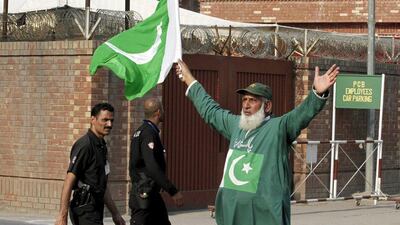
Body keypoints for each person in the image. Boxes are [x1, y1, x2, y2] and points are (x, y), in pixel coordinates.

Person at [175, 60, 339, 225]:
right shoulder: (236, 125)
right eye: (244, 100)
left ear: (267, 106)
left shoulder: (279, 128)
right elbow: (209, 110)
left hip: (264, 217)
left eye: (252, 100)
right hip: (232, 214)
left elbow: (302, 115)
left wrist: (316, 94)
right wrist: (189, 79)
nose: (246, 105)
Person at [55, 103, 125, 225]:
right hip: (84, 210)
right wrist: (62, 216)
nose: (109, 124)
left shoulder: (101, 146)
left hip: (96, 209)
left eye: (111, 120)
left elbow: (102, 186)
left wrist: (115, 214)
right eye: (105, 120)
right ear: (93, 119)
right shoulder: (85, 145)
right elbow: (69, 180)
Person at [129, 97, 184, 225]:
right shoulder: (148, 133)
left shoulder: (139, 131)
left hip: (151, 193)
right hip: (144, 195)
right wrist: (173, 191)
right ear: (158, 112)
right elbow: (152, 166)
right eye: (163, 109)